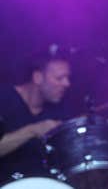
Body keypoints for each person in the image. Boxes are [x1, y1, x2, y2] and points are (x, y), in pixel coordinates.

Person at [0, 48, 71, 180]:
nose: (67, 83)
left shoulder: (59, 110)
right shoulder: (4, 99)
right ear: (38, 77)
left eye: (67, 78)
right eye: (59, 78)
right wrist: (32, 130)